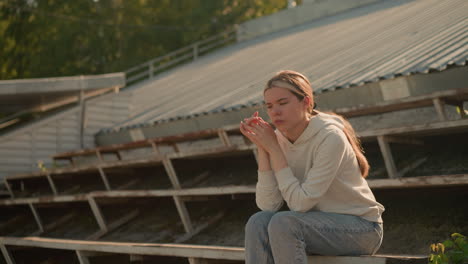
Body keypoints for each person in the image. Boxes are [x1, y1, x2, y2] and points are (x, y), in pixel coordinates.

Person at [240, 70, 385, 264]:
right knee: (258, 221)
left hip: (362, 229)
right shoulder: (279, 140)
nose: (275, 111)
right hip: (313, 226)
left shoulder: (330, 137)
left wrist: (274, 149)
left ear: (306, 102)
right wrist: (263, 147)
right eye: (269, 106)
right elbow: (268, 205)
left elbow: (300, 204)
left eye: (283, 103)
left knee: (284, 223)